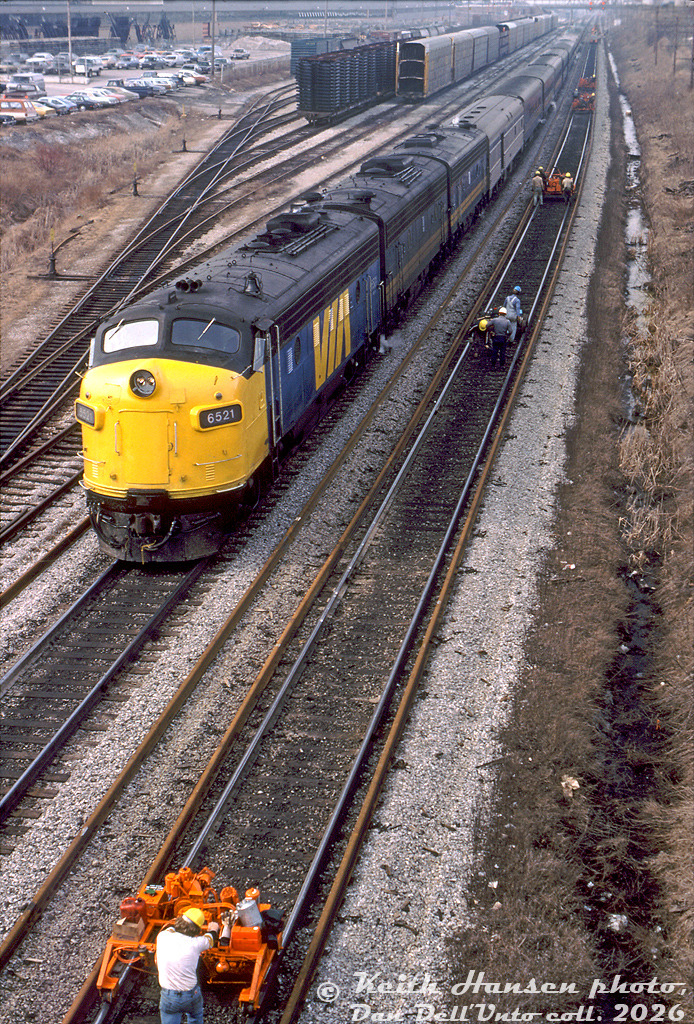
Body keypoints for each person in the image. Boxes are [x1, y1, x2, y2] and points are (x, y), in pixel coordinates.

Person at [155, 907, 230, 1024]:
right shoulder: (197, 944)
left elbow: (170, 928)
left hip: (168, 996)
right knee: (195, 1018)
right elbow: (211, 938)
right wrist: (214, 928)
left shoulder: (162, 936)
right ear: (196, 930)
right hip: (190, 995)